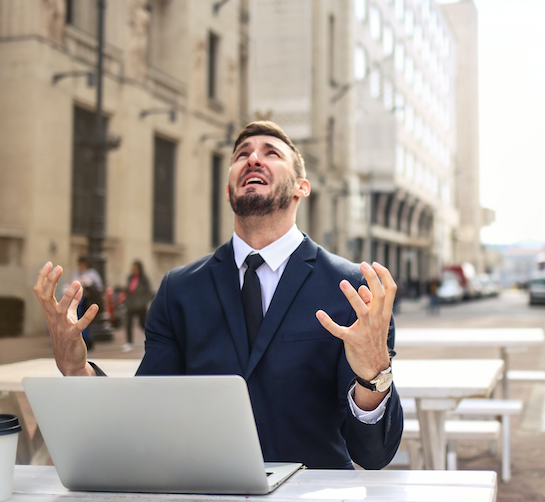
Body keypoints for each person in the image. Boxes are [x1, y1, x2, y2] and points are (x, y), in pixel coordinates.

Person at [33, 121, 403, 470]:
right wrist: (76, 370)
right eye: (242, 154)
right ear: (228, 190)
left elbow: (372, 454)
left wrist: (374, 373)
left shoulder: (354, 290)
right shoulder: (179, 289)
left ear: (301, 188)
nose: (253, 158)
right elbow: (145, 415)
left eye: (271, 152)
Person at [67, 256, 104, 350]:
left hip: (88, 300)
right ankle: (81, 339)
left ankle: (87, 339)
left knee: (87, 319)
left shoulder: (92, 274)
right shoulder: (76, 274)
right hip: (79, 301)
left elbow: (99, 286)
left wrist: (90, 290)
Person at [122, 260, 154, 352]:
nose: (134, 270)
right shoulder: (130, 278)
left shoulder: (144, 279)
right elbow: (127, 291)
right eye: (133, 268)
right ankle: (129, 342)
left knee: (143, 324)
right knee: (128, 323)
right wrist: (126, 301)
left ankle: (151, 340)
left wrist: (143, 303)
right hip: (130, 305)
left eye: (135, 268)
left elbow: (148, 292)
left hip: (140, 306)